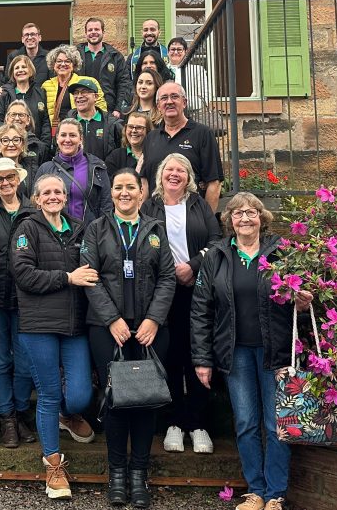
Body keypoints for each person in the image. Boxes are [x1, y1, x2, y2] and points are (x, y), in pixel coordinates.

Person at [191, 192, 313, 510]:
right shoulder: (216, 256)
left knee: (276, 424)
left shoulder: (282, 252)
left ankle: (275, 495)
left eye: (251, 212)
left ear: (262, 217)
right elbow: (201, 311)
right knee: (245, 423)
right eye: (238, 213)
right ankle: (256, 491)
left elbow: (300, 296)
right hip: (236, 354)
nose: (245, 218)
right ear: (229, 220)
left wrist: (302, 304)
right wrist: (202, 359)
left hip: (276, 352)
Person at [82, 169, 175, 508]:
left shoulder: (156, 229)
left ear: (141, 192)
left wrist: (153, 319)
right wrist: (112, 319)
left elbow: (167, 278)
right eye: (118, 187)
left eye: (130, 187)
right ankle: (117, 474)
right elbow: (90, 277)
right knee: (116, 401)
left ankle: (139, 474)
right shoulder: (96, 229)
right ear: (111, 193)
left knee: (146, 401)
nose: (124, 193)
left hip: (150, 330)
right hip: (107, 330)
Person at [11, 173, 99, 500]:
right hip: (39, 326)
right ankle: (53, 467)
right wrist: (67, 278)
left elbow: (93, 269)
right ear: (36, 199)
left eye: (58, 192)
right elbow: (23, 274)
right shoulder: (27, 229)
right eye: (46, 192)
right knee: (48, 393)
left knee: (80, 396)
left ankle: (67, 414)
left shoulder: (79, 229)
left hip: (74, 326)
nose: (52, 196)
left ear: (65, 197)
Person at [141, 154, 221, 456]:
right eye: (169, 169)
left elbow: (216, 242)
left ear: (188, 177)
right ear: (161, 175)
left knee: (197, 353)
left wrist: (193, 266)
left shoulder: (199, 205)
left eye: (181, 170)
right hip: (162, 293)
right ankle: (173, 422)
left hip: (195, 289)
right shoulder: (149, 206)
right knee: (170, 355)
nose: (174, 174)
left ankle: (199, 424)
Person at [0, 157, 38, 449]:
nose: (5, 183)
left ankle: (21, 409)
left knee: (25, 361)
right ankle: (7, 418)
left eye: (9, 177)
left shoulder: (33, 212)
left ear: (18, 179)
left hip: (26, 298)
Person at [140, 82, 223, 209]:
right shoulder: (151, 138)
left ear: (184, 102)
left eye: (174, 96)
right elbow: (145, 183)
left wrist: (207, 218)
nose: (169, 102)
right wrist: (141, 216)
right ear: (158, 106)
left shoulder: (203, 134)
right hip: (155, 216)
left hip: (191, 214)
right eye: (164, 98)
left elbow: (214, 183)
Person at [35, 118, 112, 226]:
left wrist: (100, 232)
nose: (67, 140)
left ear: (81, 139)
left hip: (89, 233)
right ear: (57, 138)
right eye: (63, 135)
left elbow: (106, 205)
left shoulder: (97, 167)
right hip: (54, 233)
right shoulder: (45, 169)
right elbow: (36, 205)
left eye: (72, 135)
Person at [0, 54, 52, 155]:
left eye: (24, 67)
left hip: (35, 148)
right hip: (10, 148)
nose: (20, 70)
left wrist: (43, 146)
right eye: (17, 68)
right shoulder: (4, 94)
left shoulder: (41, 93)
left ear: (30, 71)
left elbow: (45, 123)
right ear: (12, 73)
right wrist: (7, 137)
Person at [41, 44, 106, 135]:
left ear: (74, 64)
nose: (63, 64)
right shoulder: (46, 85)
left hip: (82, 131)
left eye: (67, 61)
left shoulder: (88, 82)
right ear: (53, 64)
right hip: (57, 134)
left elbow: (102, 109)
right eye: (59, 61)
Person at [78, 17, 132, 117]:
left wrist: (118, 109)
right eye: (90, 30)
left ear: (103, 32)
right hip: (80, 108)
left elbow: (123, 84)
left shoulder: (115, 56)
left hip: (108, 110)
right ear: (85, 33)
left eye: (97, 29)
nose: (93, 32)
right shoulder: (76, 55)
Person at [64, 76, 122, 162]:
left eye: (84, 92)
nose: (79, 96)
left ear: (96, 97)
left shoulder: (112, 124)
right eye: (76, 93)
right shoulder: (66, 123)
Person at [104, 113, 152, 178]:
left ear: (148, 131)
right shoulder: (115, 157)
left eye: (139, 127)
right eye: (130, 127)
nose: (134, 131)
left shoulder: (154, 156)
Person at [4, 23, 51, 87]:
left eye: (33, 34)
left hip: (42, 93)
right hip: (19, 93)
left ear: (39, 38)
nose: (29, 37)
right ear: (22, 39)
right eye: (26, 35)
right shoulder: (13, 56)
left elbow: (52, 81)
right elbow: (8, 80)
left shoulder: (49, 57)